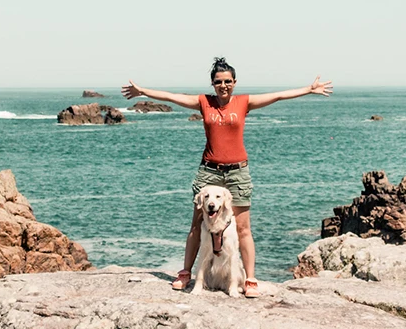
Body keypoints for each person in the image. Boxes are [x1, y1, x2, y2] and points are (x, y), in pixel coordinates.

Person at [121, 57, 332, 298]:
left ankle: (250, 280)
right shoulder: (204, 102)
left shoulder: (244, 102)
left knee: (243, 229)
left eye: (228, 81)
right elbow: (171, 97)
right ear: (212, 83)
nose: (224, 85)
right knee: (197, 225)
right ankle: (185, 274)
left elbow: (278, 96)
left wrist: (308, 89)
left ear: (235, 82)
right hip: (209, 171)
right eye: (219, 81)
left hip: (238, 172)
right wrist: (142, 91)